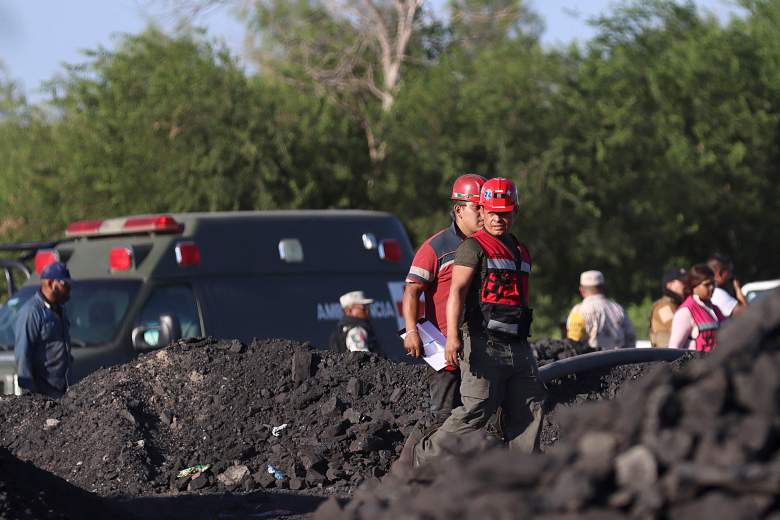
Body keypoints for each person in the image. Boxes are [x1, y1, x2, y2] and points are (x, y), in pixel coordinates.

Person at [413, 177, 546, 465]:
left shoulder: (521, 251)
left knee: (530, 405)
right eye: (493, 212)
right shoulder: (472, 247)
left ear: (515, 212)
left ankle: (522, 476)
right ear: (482, 212)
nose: (499, 218)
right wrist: (452, 339)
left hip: (517, 343)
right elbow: (456, 294)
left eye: (506, 212)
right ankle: (425, 460)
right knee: (476, 408)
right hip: (482, 341)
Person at [402, 173, 486, 426]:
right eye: (477, 208)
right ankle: (426, 463)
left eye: (486, 207)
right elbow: (411, 291)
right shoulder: (436, 247)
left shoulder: (488, 246)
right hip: (445, 350)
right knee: (443, 417)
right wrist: (411, 331)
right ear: (459, 210)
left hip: (481, 347)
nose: (484, 214)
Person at [14, 262, 73, 398]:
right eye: (65, 284)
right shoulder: (31, 312)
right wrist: (32, 396)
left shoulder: (60, 310)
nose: (69, 288)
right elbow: (23, 354)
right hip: (43, 393)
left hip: (63, 390)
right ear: (51, 283)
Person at [566, 270, 636, 349]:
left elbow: (573, 343)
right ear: (603, 288)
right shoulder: (619, 309)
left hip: (592, 360)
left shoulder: (578, 311)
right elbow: (631, 339)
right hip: (620, 359)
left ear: (581, 290)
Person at [668, 264, 725, 352]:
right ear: (694, 286)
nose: (712, 287)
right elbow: (673, 349)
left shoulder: (715, 309)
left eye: (713, 283)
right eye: (707, 284)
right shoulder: (685, 312)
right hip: (696, 365)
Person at [649, 267, 687, 348]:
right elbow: (677, 329)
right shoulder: (664, 307)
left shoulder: (678, 304)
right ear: (669, 285)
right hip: (667, 357)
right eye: (683, 282)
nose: (686, 285)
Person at [707, 253, 747, 317]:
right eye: (729, 271)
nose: (730, 275)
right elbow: (747, 312)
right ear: (720, 273)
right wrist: (737, 289)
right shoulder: (718, 294)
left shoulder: (713, 293)